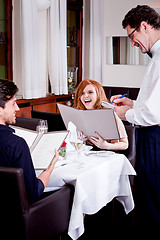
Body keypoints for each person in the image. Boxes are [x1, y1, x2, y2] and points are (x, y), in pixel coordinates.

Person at [110, 5, 160, 235]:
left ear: (144, 26)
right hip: (150, 135)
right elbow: (151, 105)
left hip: (155, 138)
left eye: (132, 36)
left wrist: (125, 114)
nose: (132, 44)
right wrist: (132, 105)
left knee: (153, 195)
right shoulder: (155, 58)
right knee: (146, 193)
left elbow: (154, 114)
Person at [0, 79, 59, 203]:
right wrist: (50, 168)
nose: (17, 108)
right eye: (13, 103)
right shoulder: (16, 144)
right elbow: (32, 194)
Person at [73, 79, 128, 150]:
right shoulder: (79, 114)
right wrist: (81, 140)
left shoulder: (110, 114)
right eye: (82, 93)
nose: (85, 96)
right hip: (88, 154)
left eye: (90, 92)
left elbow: (125, 144)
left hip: (108, 155)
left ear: (98, 95)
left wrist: (106, 145)